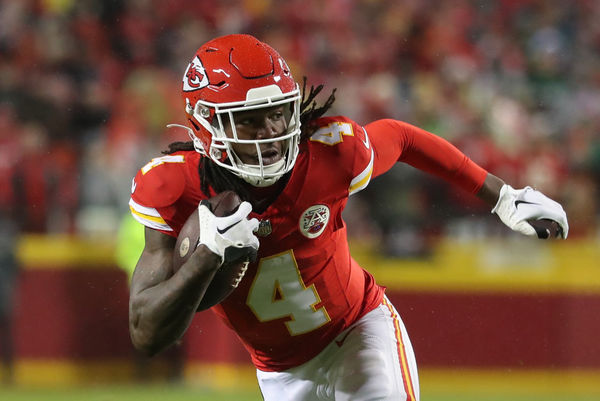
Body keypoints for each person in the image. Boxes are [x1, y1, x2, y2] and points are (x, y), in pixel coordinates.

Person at [127, 34, 568, 400]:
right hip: (280, 374)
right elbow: (147, 334)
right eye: (250, 120)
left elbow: (400, 137)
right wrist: (207, 257)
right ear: (206, 125)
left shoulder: (329, 152)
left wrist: (503, 196)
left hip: (357, 330)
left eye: (279, 113)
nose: (273, 133)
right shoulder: (172, 186)